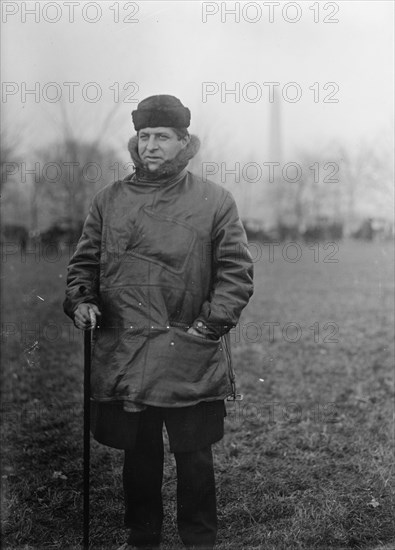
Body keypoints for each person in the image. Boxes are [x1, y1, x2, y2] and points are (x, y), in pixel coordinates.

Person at [64, 94, 253, 550]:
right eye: (144, 136)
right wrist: (82, 301)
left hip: (187, 348)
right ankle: (141, 538)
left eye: (162, 137)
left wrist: (208, 327)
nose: (151, 145)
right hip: (125, 350)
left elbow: (235, 271)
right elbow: (83, 265)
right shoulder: (108, 200)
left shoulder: (214, 200)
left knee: (194, 456)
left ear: (183, 142)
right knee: (139, 455)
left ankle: (199, 539)